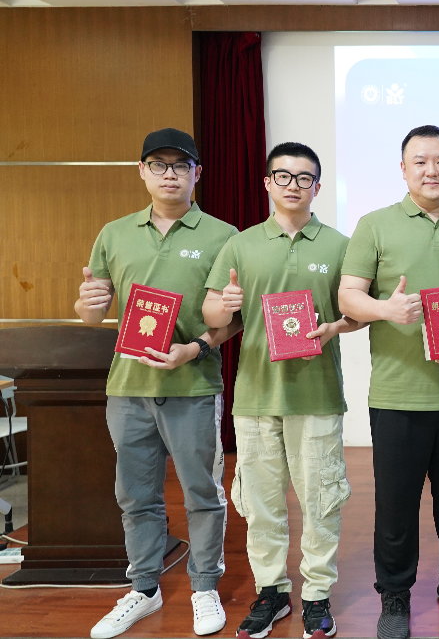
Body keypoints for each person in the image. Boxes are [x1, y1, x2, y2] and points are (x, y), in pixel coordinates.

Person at [77, 128, 239, 639]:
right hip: (127, 387)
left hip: (193, 384)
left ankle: (204, 586)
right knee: (135, 495)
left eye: (180, 165)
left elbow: (232, 319)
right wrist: (87, 305)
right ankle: (144, 588)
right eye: (159, 165)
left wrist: (195, 349)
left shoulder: (224, 235)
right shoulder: (114, 233)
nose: (170, 174)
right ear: (142, 172)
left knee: (201, 492)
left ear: (197, 173)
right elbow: (92, 310)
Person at [337, 125, 439, 639]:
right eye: (421, 161)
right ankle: (395, 594)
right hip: (397, 394)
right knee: (396, 504)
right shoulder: (375, 225)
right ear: (403, 169)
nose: (432, 171)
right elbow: (348, 296)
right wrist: (385, 309)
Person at [203, 142, 359, 639]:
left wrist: (334, 328)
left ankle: (317, 594)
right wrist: (225, 303)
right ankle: (271, 591)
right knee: (262, 505)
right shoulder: (241, 245)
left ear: (318, 186)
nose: (294, 185)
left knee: (321, 501)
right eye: (283, 176)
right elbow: (212, 314)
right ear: (267, 182)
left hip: (317, 394)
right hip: (255, 397)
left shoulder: (340, 245)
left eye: (304, 177)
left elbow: (358, 313)